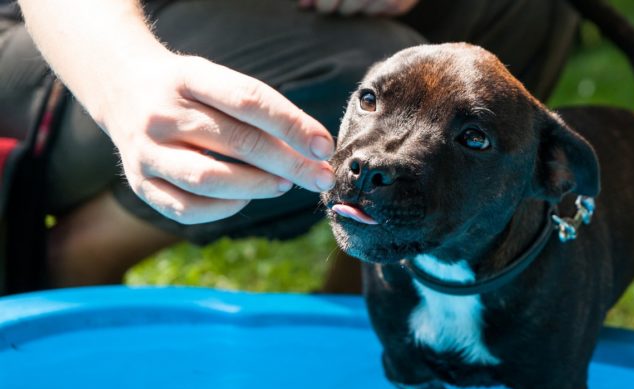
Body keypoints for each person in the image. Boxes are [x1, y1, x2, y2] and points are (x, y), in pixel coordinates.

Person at [0, 0, 579, 291]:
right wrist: (125, 80)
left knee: (527, 9)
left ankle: (374, 298)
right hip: (58, 34)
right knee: (350, 70)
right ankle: (73, 258)